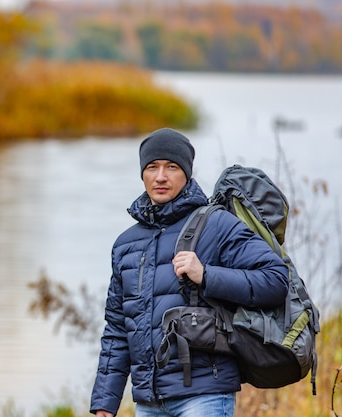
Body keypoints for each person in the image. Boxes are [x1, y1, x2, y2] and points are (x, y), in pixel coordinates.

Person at [89, 128, 290, 417]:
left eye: (171, 167)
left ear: (186, 173)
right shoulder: (125, 245)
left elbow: (275, 280)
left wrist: (206, 275)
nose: (160, 176)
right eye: (152, 167)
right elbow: (118, 330)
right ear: (142, 174)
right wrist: (105, 404)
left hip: (204, 396)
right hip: (148, 402)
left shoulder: (217, 225)